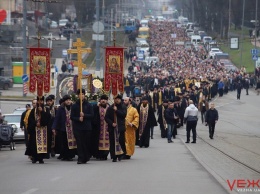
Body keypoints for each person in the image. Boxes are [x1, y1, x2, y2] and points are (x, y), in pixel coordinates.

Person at [71, 89, 94, 164]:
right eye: (80, 94)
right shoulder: (74, 106)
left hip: (87, 127)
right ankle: (80, 158)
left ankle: (86, 157)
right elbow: (72, 117)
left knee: (86, 142)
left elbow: (92, 115)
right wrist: (78, 118)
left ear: (85, 95)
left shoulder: (89, 105)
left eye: (83, 94)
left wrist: (84, 115)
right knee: (79, 143)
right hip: (78, 127)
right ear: (78, 96)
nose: (81, 96)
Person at [26, 96, 51, 164]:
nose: (40, 102)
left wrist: (42, 112)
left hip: (44, 130)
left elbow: (48, 118)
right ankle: (35, 158)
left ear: (43, 102)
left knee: (43, 145)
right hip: (35, 130)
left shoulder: (46, 109)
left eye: (41, 101)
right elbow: (30, 120)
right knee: (34, 145)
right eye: (39, 101)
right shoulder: (33, 111)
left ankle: (41, 158)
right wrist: (35, 123)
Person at [52, 95, 76, 161]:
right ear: (64, 101)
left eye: (69, 100)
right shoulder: (61, 108)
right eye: (67, 100)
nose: (68, 102)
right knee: (65, 142)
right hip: (63, 128)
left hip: (72, 128)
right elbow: (57, 118)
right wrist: (54, 127)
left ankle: (71, 155)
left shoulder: (73, 107)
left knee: (72, 142)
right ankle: (65, 155)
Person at [105, 94, 127, 162]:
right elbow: (106, 117)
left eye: (118, 99)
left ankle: (120, 154)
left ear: (120, 100)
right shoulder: (110, 108)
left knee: (121, 141)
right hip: (112, 128)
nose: (117, 100)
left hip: (120, 127)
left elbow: (123, 115)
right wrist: (111, 123)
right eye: (115, 99)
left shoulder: (123, 106)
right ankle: (114, 156)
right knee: (112, 142)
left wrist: (117, 111)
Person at [92, 94, 110, 160]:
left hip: (108, 128)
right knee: (98, 141)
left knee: (108, 142)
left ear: (107, 101)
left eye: (104, 100)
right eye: (102, 99)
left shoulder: (109, 107)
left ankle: (105, 154)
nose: (103, 101)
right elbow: (93, 115)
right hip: (99, 128)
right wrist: (96, 107)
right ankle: (99, 154)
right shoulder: (96, 107)